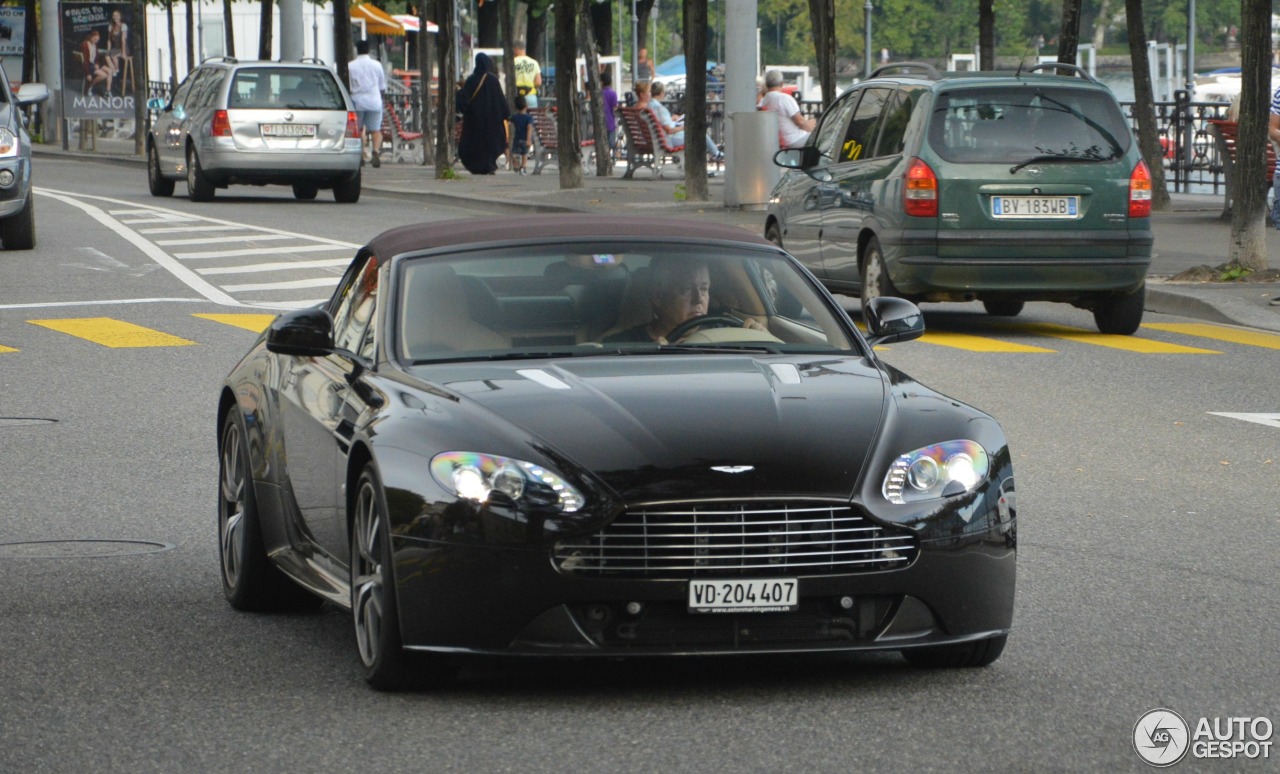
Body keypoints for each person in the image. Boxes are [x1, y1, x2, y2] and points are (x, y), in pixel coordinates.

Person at [603, 257, 764, 343]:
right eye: (686, 290)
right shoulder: (624, 344)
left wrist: (761, 337)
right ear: (658, 296)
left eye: (704, 289)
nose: (698, 299)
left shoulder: (726, 333)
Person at [457, 53, 510, 175]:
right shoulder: (493, 80)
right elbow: (500, 100)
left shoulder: (471, 80)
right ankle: (489, 165)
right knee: (489, 143)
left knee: (475, 143)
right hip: (492, 122)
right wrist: (506, 114)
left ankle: (476, 166)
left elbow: (464, 100)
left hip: (474, 121)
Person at [648, 80, 723, 162]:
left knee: (697, 132)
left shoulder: (650, 105)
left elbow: (662, 123)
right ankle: (714, 154)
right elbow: (669, 130)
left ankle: (714, 151)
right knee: (699, 134)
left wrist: (671, 119)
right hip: (669, 139)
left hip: (661, 138)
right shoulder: (659, 108)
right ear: (661, 93)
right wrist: (684, 127)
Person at [348, 40, 387, 167]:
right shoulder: (377, 65)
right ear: (368, 50)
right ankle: (375, 151)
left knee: (358, 129)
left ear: (357, 50)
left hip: (357, 101)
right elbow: (382, 86)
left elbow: (349, 85)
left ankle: (361, 154)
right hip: (374, 101)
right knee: (376, 129)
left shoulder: (350, 66)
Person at [758, 69, 815, 149]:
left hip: (777, 141)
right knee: (824, 139)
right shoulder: (784, 99)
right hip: (794, 140)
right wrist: (811, 128)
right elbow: (800, 122)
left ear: (767, 85)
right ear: (782, 84)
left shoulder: (764, 101)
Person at [508, 94, 535, 174]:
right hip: (525, 139)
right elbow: (529, 128)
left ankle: (516, 163)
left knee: (514, 153)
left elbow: (509, 122)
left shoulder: (515, 117)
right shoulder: (529, 117)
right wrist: (529, 139)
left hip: (517, 139)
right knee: (525, 154)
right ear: (526, 106)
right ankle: (523, 167)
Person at [81, 31, 113, 97]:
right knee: (103, 75)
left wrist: (97, 64)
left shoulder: (95, 45)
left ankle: (107, 92)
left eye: (97, 40)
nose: (96, 41)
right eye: (95, 39)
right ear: (91, 37)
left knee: (110, 71)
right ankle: (90, 87)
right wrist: (87, 73)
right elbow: (85, 61)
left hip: (94, 64)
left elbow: (96, 57)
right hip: (89, 66)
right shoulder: (85, 44)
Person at [513, 40, 542, 108]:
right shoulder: (534, 63)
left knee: (516, 118)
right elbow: (538, 82)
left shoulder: (513, 62)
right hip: (530, 95)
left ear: (516, 49)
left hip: (517, 96)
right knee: (532, 117)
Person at [107, 11, 128, 96]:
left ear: (120, 16)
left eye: (116, 15)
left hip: (123, 48)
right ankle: (113, 71)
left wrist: (123, 53)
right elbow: (109, 40)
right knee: (108, 55)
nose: (115, 17)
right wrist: (108, 50)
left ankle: (116, 69)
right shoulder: (111, 26)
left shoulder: (123, 26)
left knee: (113, 55)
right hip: (115, 48)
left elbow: (123, 40)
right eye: (113, 15)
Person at [601, 71, 620, 159]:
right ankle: (610, 157)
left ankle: (604, 156)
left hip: (601, 122)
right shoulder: (613, 93)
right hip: (611, 121)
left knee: (602, 141)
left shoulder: (599, 93)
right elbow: (614, 107)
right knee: (611, 142)